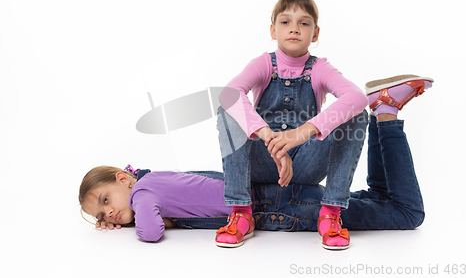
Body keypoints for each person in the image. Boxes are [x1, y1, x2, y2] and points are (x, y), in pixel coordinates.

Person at [78, 75, 433, 249]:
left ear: (124, 179)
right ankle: (377, 109)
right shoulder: (157, 181)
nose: (107, 214)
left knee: (406, 214)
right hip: (281, 194)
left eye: (105, 201)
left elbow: (151, 233)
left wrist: (132, 221)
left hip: (288, 208)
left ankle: (384, 112)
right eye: (100, 215)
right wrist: (123, 218)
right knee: (378, 196)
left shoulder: (143, 195)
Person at [215, 0, 368, 249]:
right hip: (262, 160)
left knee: (356, 114)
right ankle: (241, 212)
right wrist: (271, 139)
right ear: (273, 30)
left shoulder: (319, 69)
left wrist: (301, 133)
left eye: (304, 23)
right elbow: (229, 95)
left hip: (306, 164)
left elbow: (357, 97)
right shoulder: (263, 64)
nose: (294, 29)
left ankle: (331, 213)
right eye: (286, 22)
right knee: (227, 109)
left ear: (315, 34)